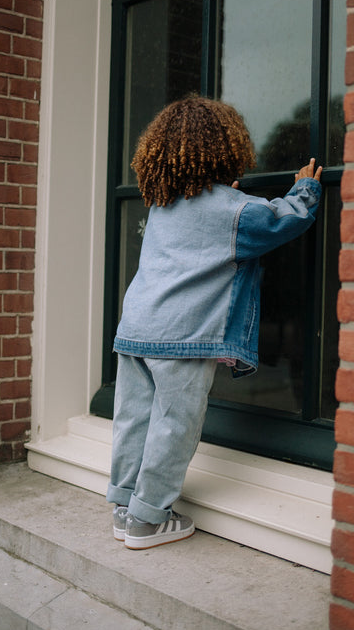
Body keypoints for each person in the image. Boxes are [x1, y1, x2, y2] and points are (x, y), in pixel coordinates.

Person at [107, 95, 322, 549]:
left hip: (135, 328)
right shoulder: (235, 209)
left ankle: (126, 507)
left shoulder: (163, 204)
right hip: (183, 337)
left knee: (134, 421)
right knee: (174, 425)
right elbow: (282, 221)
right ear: (228, 151)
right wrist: (305, 189)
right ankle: (149, 519)